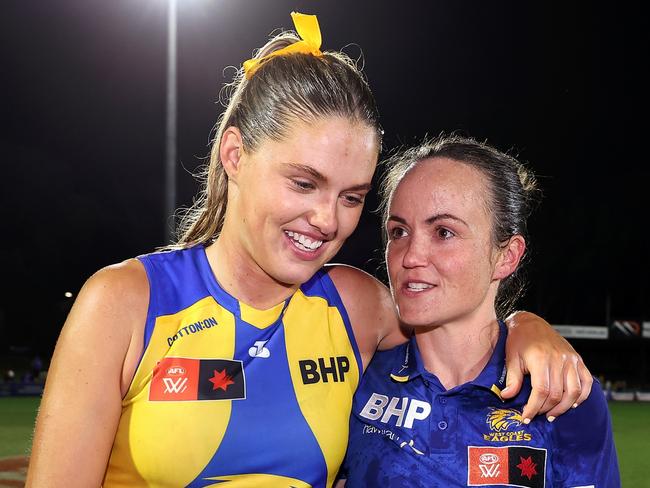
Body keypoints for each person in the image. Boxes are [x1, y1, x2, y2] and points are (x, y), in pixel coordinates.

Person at [27, 13, 592, 488]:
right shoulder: (123, 302)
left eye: (351, 196)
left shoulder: (356, 305)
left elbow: (463, 317)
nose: (327, 221)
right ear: (234, 155)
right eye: (303, 183)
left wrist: (526, 324)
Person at [342, 135, 619, 487]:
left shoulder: (561, 395)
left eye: (443, 232)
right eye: (399, 231)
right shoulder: (358, 375)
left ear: (507, 256)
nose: (409, 256)